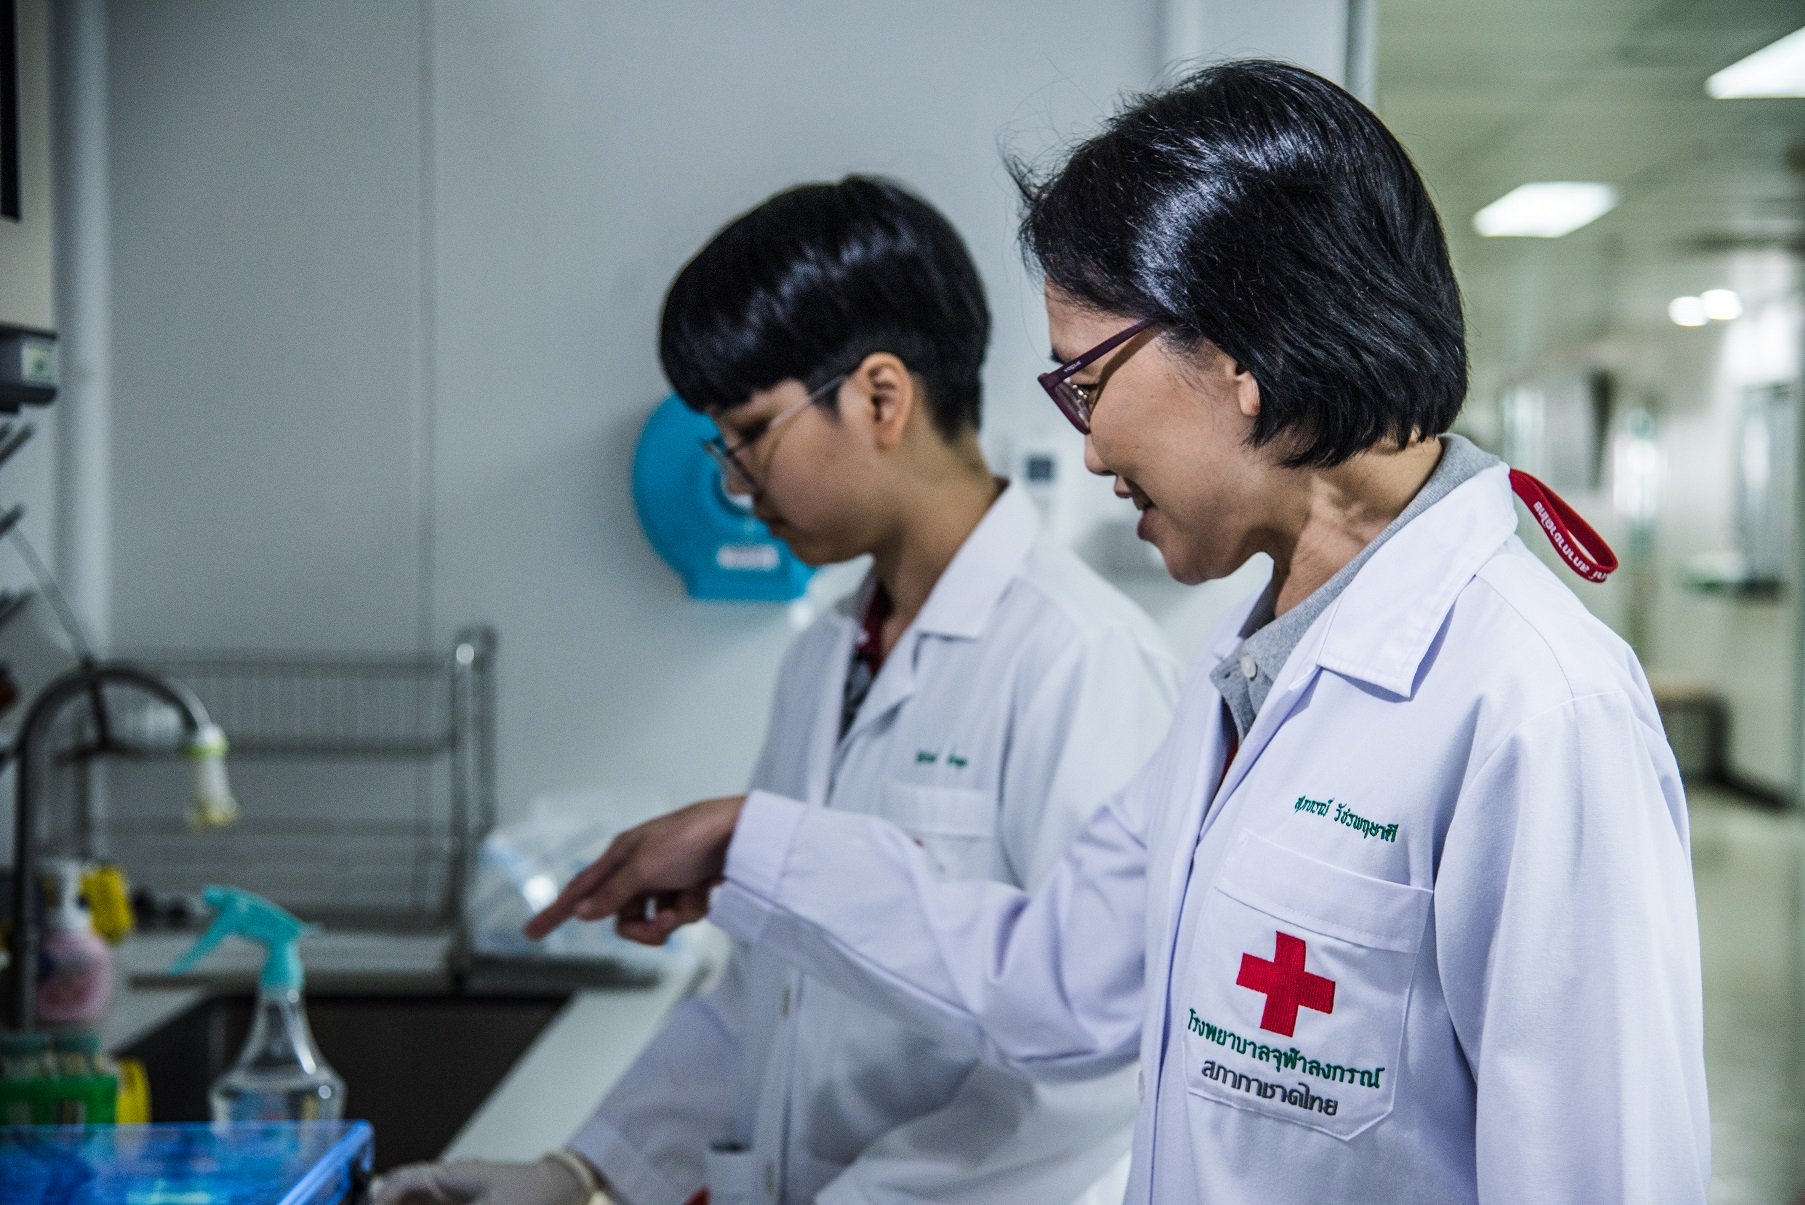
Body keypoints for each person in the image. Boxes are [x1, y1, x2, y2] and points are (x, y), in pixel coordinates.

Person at [525, 61, 1711, 1205]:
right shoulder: (1251, 677)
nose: (1086, 448)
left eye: (1085, 382)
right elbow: (1049, 979)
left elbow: (1598, 1171)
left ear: (1250, 352)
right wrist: (752, 843)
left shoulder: (1533, 703)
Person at [379, 177, 1178, 1204]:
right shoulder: (825, 656)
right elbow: (766, 990)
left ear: (881, 397)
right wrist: (584, 1172)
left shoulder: (1078, 659)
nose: (736, 482)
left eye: (751, 433)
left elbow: (1096, 1069)